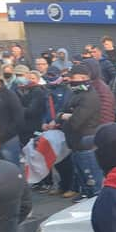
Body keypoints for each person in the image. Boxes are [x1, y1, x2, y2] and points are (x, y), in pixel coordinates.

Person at [53, 64, 103, 202]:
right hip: (75, 143)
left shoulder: (89, 97)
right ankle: (86, 193)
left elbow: (76, 121)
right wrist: (64, 115)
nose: (69, 80)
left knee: (91, 176)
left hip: (85, 142)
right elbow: (62, 111)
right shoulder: (76, 93)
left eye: (72, 77)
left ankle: (95, 199)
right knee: (82, 174)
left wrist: (63, 116)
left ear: (83, 77)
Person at [41, 66, 75, 198]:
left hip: (63, 127)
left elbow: (66, 108)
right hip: (51, 128)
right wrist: (44, 122)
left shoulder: (67, 90)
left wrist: (57, 121)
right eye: (48, 75)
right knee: (56, 160)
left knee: (66, 160)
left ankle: (71, 186)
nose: (51, 78)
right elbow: (45, 109)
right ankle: (62, 185)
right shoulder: (47, 90)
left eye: (53, 75)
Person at [16, 70, 47, 146]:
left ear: (38, 80)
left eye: (33, 78)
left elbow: (32, 110)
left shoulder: (38, 91)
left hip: (34, 127)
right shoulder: (26, 90)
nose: (30, 80)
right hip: (27, 127)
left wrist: (17, 109)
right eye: (29, 78)